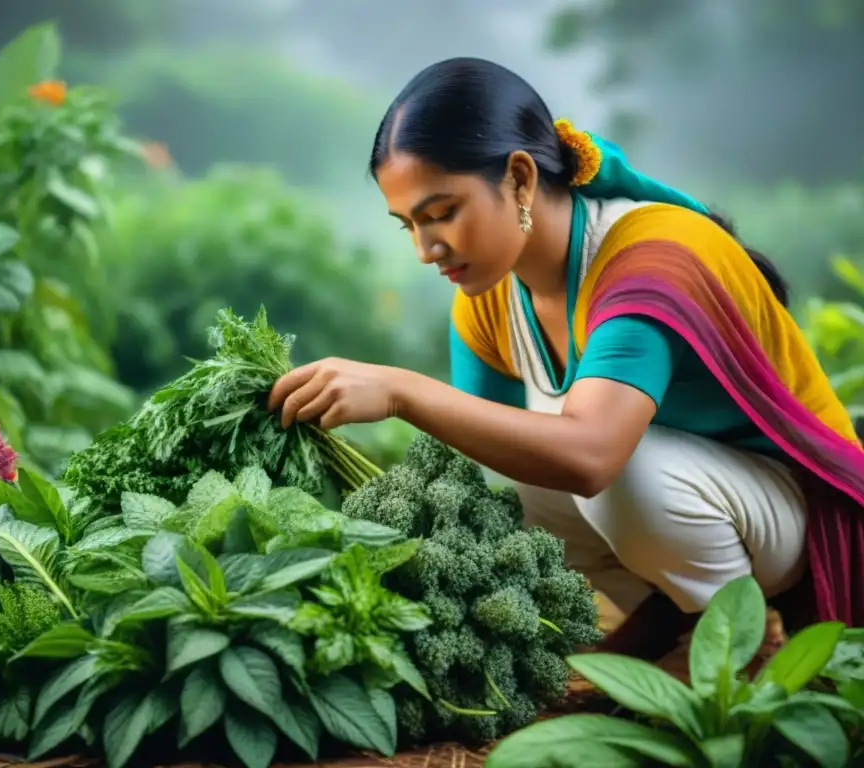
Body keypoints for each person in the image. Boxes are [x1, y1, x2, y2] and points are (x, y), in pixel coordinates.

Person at [267, 57, 864, 660]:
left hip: (797, 521)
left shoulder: (648, 263)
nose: (427, 249)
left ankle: (734, 639)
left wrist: (401, 392)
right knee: (504, 489)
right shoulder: (490, 294)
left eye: (443, 212)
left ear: (520, 179)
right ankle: (672, 622)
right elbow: (474, 468)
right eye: (409, 226)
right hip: (703, 514)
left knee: (618, 470)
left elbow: (592, 457)